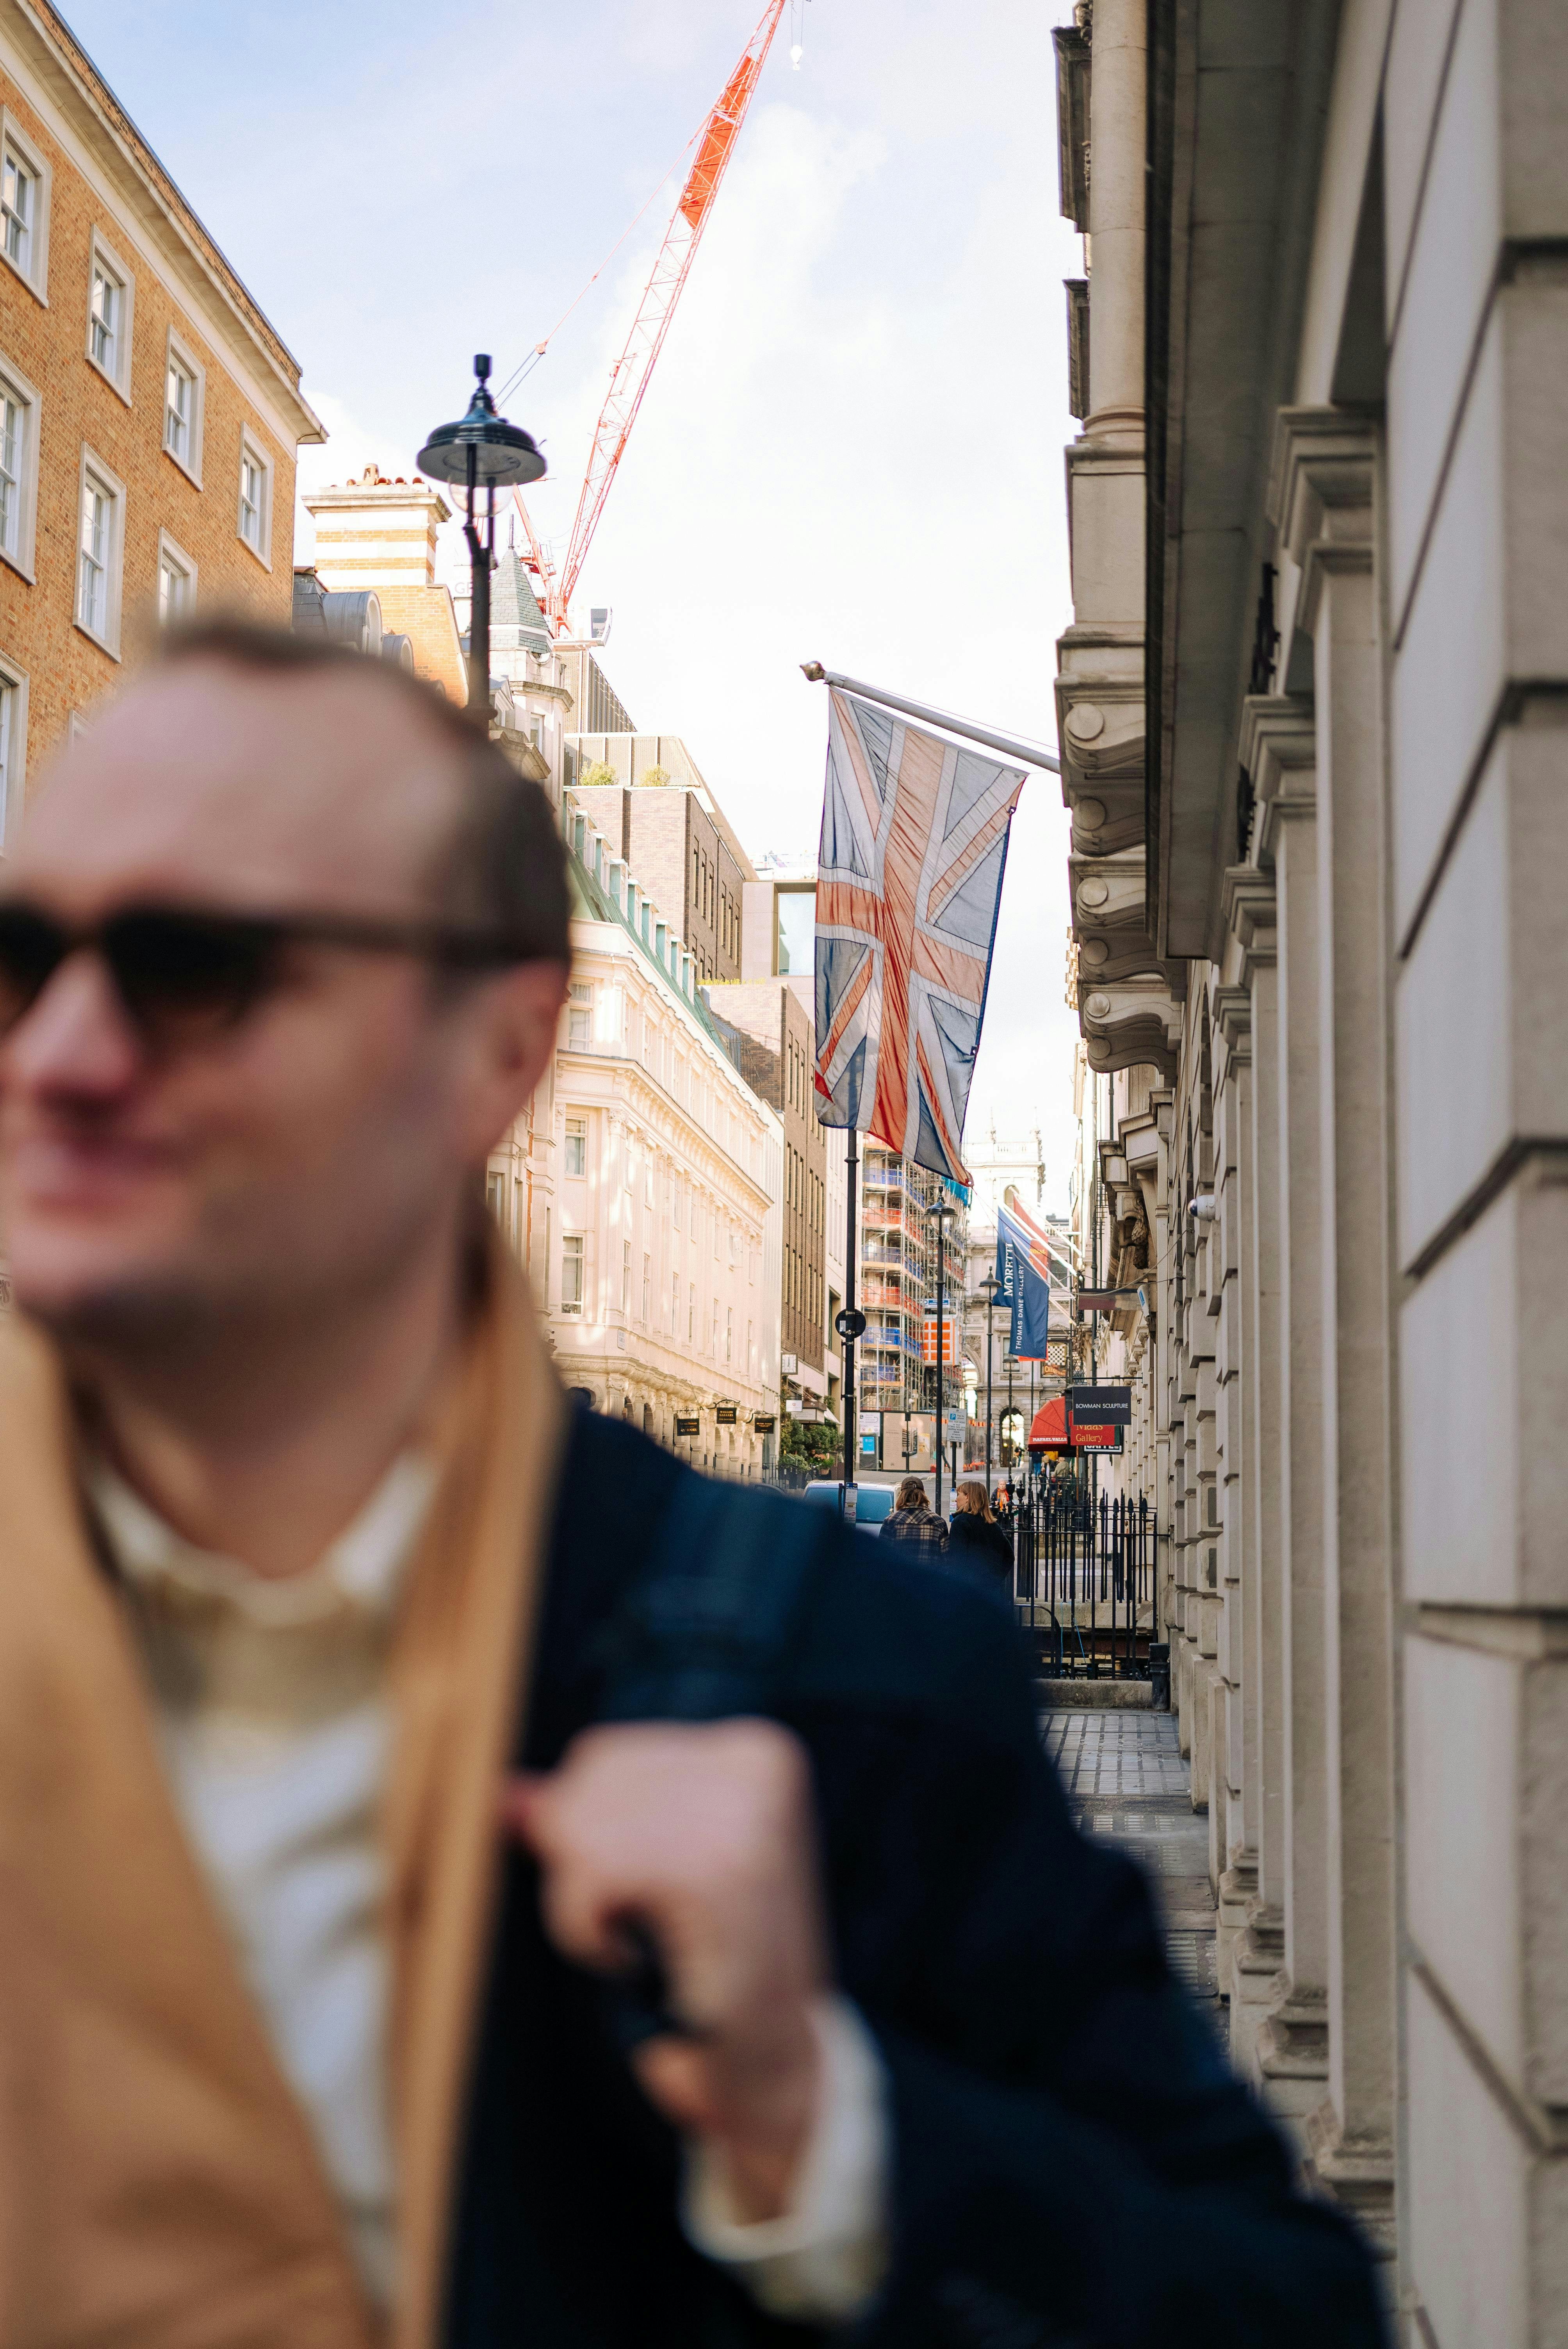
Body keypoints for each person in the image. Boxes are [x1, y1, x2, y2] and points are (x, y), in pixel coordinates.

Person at [0, 623, 1385, 2349]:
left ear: (497, 1050)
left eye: (191, 959)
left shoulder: (845, 1681)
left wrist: (817, 2114)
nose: (56, 1050)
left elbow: (1281, 2308)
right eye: (21, 952)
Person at [946, 1479, 1014, 1591]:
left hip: (968, 1591)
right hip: (990, 1592)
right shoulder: (993, 1526)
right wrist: (995, 1580)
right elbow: (1009, 1557)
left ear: (968, 1497)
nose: (956, 1499)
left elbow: (957, 1561)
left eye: (959, 1495)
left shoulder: (961, 1523)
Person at [877, 1472, 949, 1556]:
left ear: (902, 1495)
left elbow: (882, 1556)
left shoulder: (891, 1521)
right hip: (928, 1569)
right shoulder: (939, 1522)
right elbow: (946, 1558)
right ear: (923, 1495)